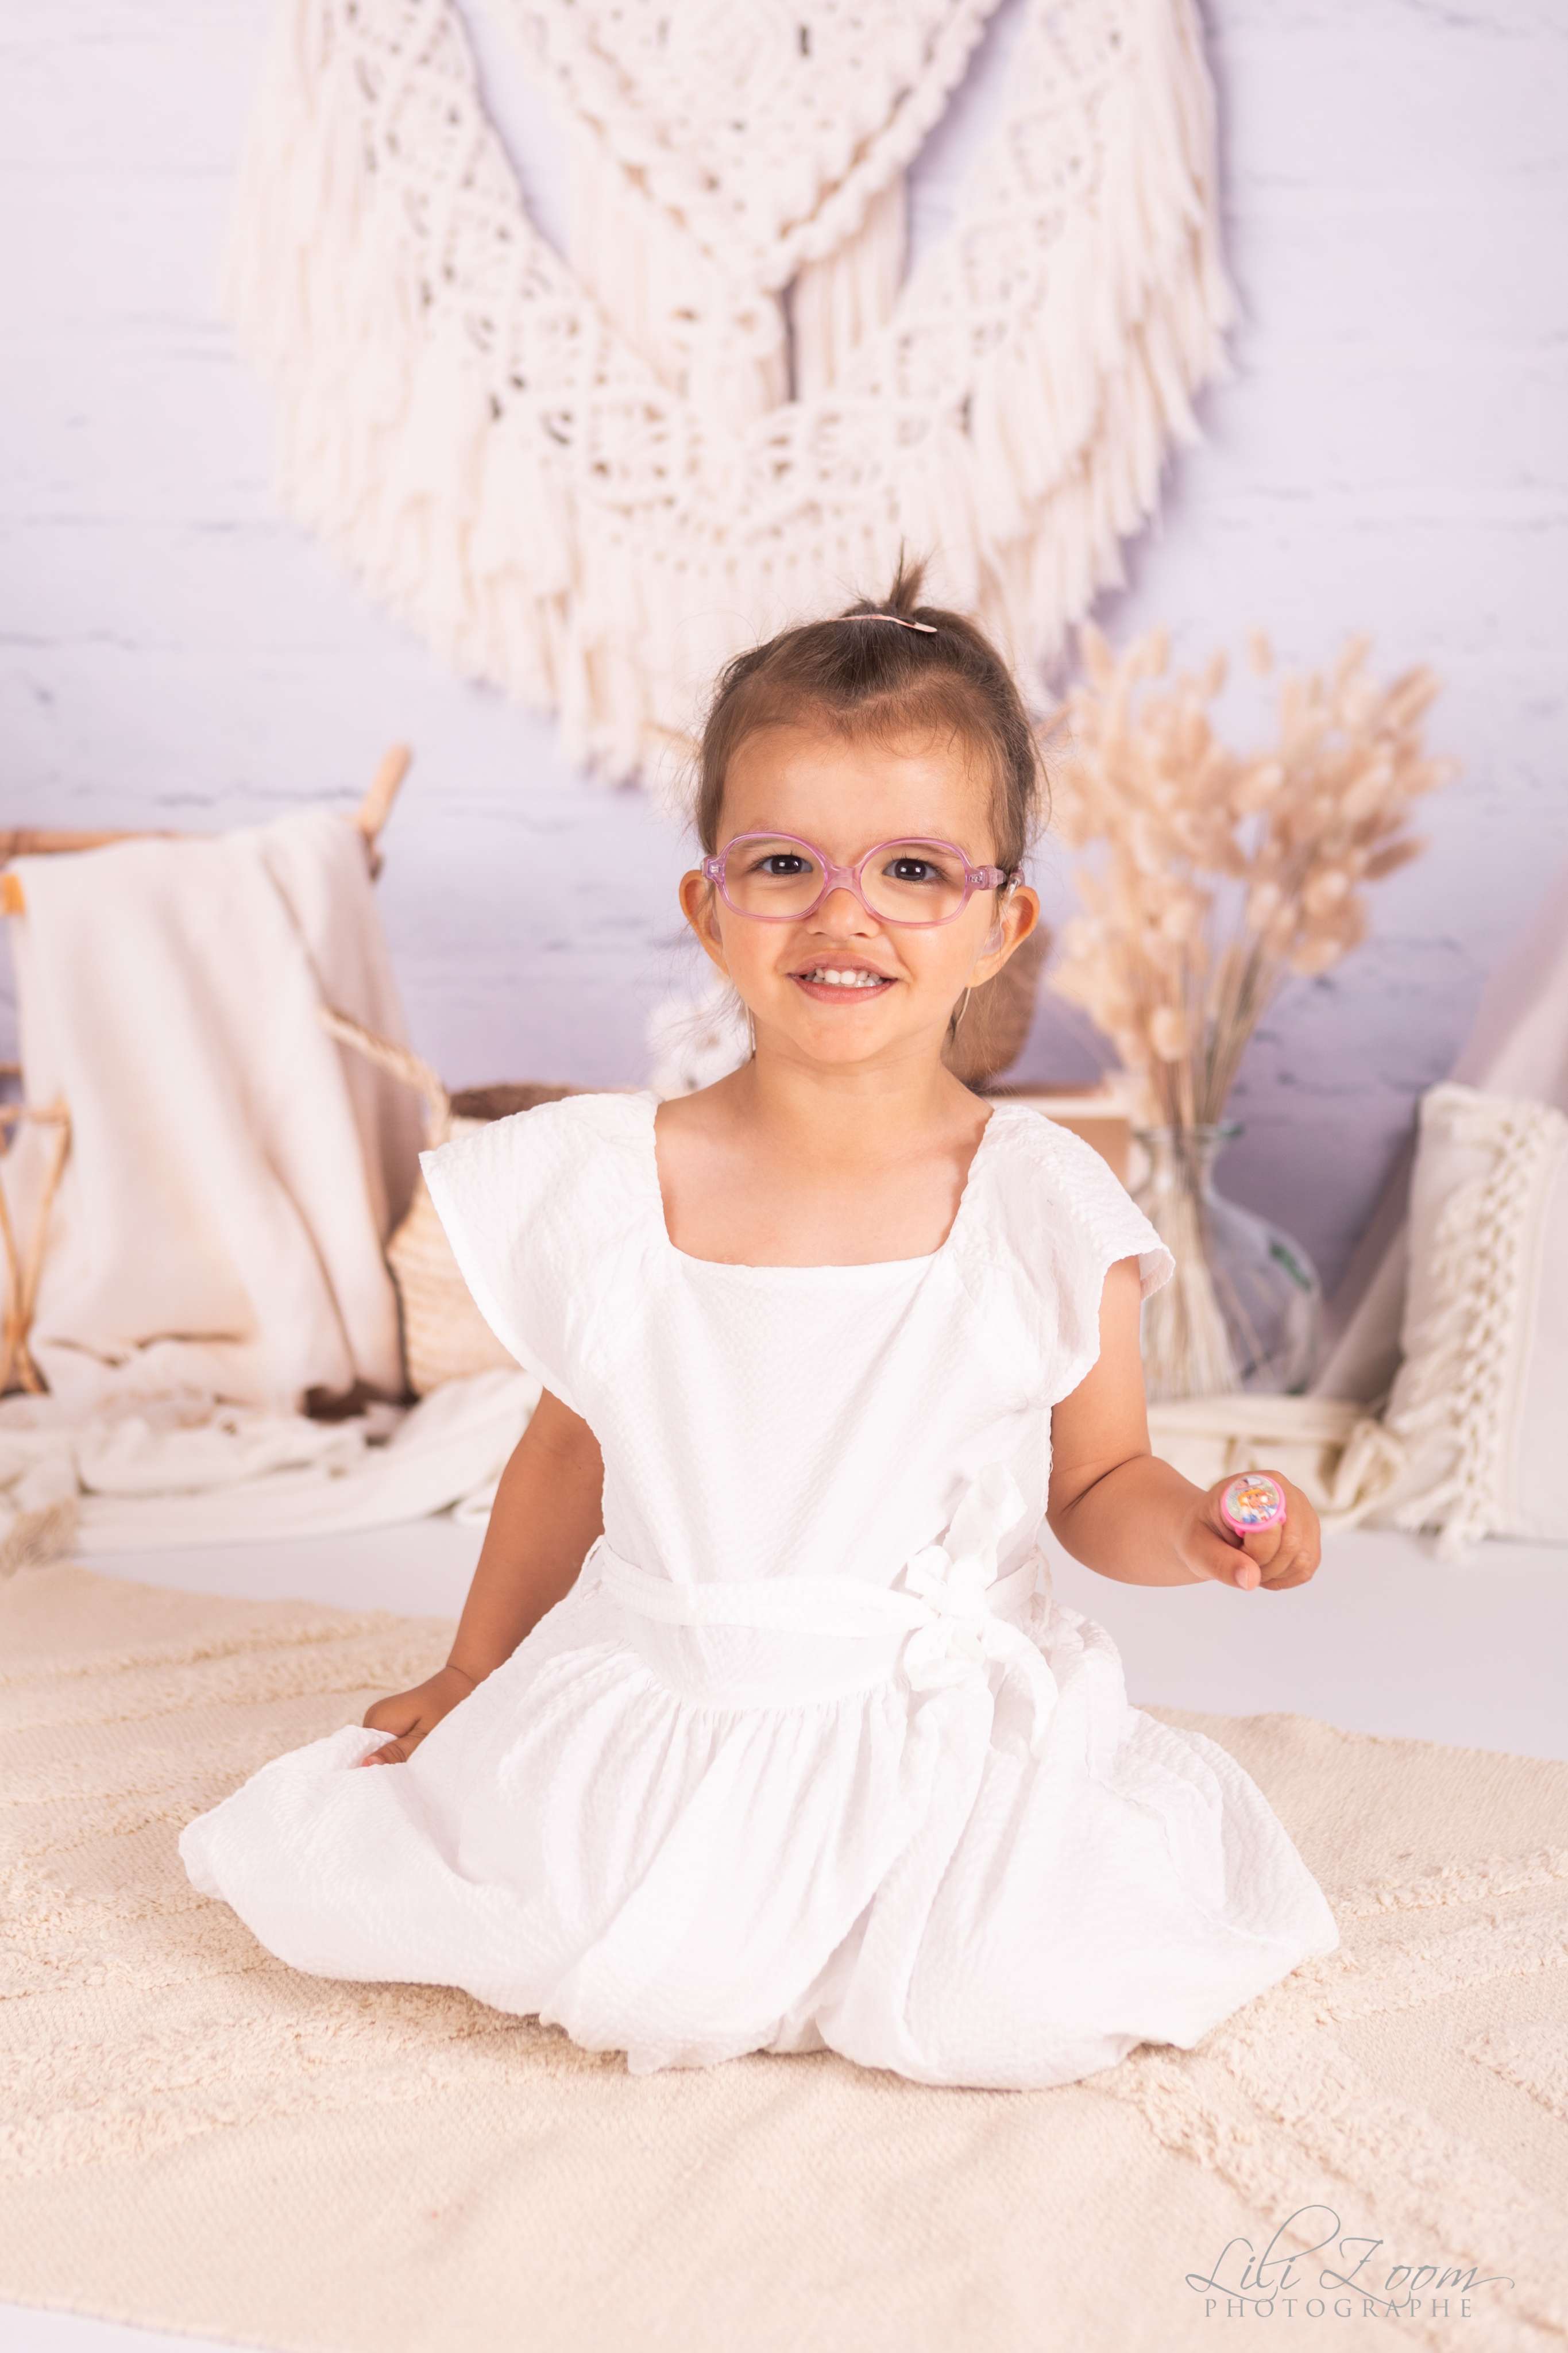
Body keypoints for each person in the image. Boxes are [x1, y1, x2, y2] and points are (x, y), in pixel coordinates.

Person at [180, 556, 1339, 2089]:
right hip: (668, 1690)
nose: (844, 913)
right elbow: (566, 1456)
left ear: (1001, 923)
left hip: (926, 1720)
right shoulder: (617, 1181)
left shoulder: (1043, 1203)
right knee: (594, 1934)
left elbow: (1097, 1487)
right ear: (708, 907)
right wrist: (472, 1678)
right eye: (784, 864)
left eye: (914, 872)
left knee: (1000, 1997)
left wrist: (1197, 1528)